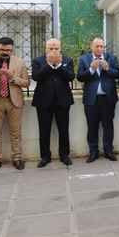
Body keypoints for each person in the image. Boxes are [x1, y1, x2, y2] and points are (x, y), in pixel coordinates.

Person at [0, 37, 30, 172]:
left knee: (16, 132)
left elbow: (26, 83)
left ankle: (17, 158)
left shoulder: (20, 62)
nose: (5, 52)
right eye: (2, 49)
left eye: (8, 50)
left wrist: (12, 78)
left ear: (12, 49)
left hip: (14, 101)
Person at [32, 38, 75, 167]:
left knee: (64, 129)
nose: (54, 50)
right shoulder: (38, 61)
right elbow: (36, 77)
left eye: (56, 48)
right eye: (51, 48)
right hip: (43, 101)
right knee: (44, 130)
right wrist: (50, 65)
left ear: (60, 48)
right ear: (46, 49)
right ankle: (45, 156)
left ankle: (64, 155)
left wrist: (59, 65)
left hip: (63, 100)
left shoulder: (67, 60)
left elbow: (70, 77)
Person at [77, 37, 119, 163]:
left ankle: (108, 151)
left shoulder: (111, 58)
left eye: (102, 46)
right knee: (92, 126)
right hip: (91, 99)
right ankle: (93, 152)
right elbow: (79, 77)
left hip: (108, 98)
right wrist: (91, 69)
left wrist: (108, 69)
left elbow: (118, 74)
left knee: (108, 126)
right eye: (97, 46)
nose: (100, 49)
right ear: (92, 47)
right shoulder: (84, 59)